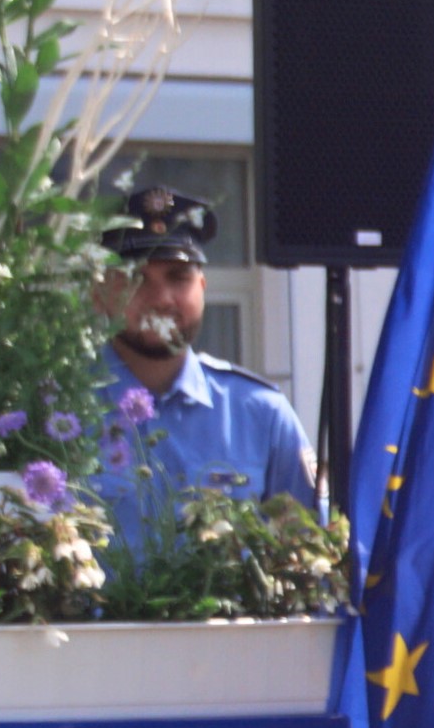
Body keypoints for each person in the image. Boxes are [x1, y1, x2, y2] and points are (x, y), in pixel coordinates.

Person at [88, 183, 314, 553]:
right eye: (137, 279)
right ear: (98, 295)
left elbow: (310, 554)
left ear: (203, 287)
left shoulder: (260, 415)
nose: (161, 299)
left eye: (178, 278)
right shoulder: (55, 408)